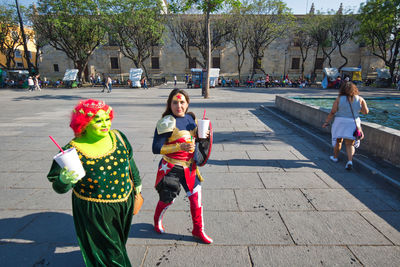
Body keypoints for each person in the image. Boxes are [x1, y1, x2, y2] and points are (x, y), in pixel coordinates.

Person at [47, 99, 142, 266]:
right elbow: (59, 187)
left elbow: (129, 161)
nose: (105, 124)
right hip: (96, 210)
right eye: (98, 121)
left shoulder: (118, 136)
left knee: (118, 242)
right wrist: (64, 180)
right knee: (113, 252)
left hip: (125, 202)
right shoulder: (71, 151)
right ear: (83, 124)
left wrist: (137, 185)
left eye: (107, 118)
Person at [152, 89, 213, 244]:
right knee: (167, 199)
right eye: (175, 102)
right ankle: (157, 220)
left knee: (196, 200)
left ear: (187, 104)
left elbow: (199, 143)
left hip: (190, 167)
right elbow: (156, 148)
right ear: (169, 104)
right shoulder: (166, 122)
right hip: (171, 167)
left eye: (182, 102)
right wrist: (178, 148)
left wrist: (204, 138)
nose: (178, 106)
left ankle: (198, 230)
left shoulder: (192, 119)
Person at [322, 82, 369, 170]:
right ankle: (350, 161)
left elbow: (333, 112)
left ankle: (335, 158)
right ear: (355, 89)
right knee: (350, 144)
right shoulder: (360, 99)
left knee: (338, 141)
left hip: (340, 122)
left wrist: (326, 122)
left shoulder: (339, 99)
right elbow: (365, 112)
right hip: (353, 123)